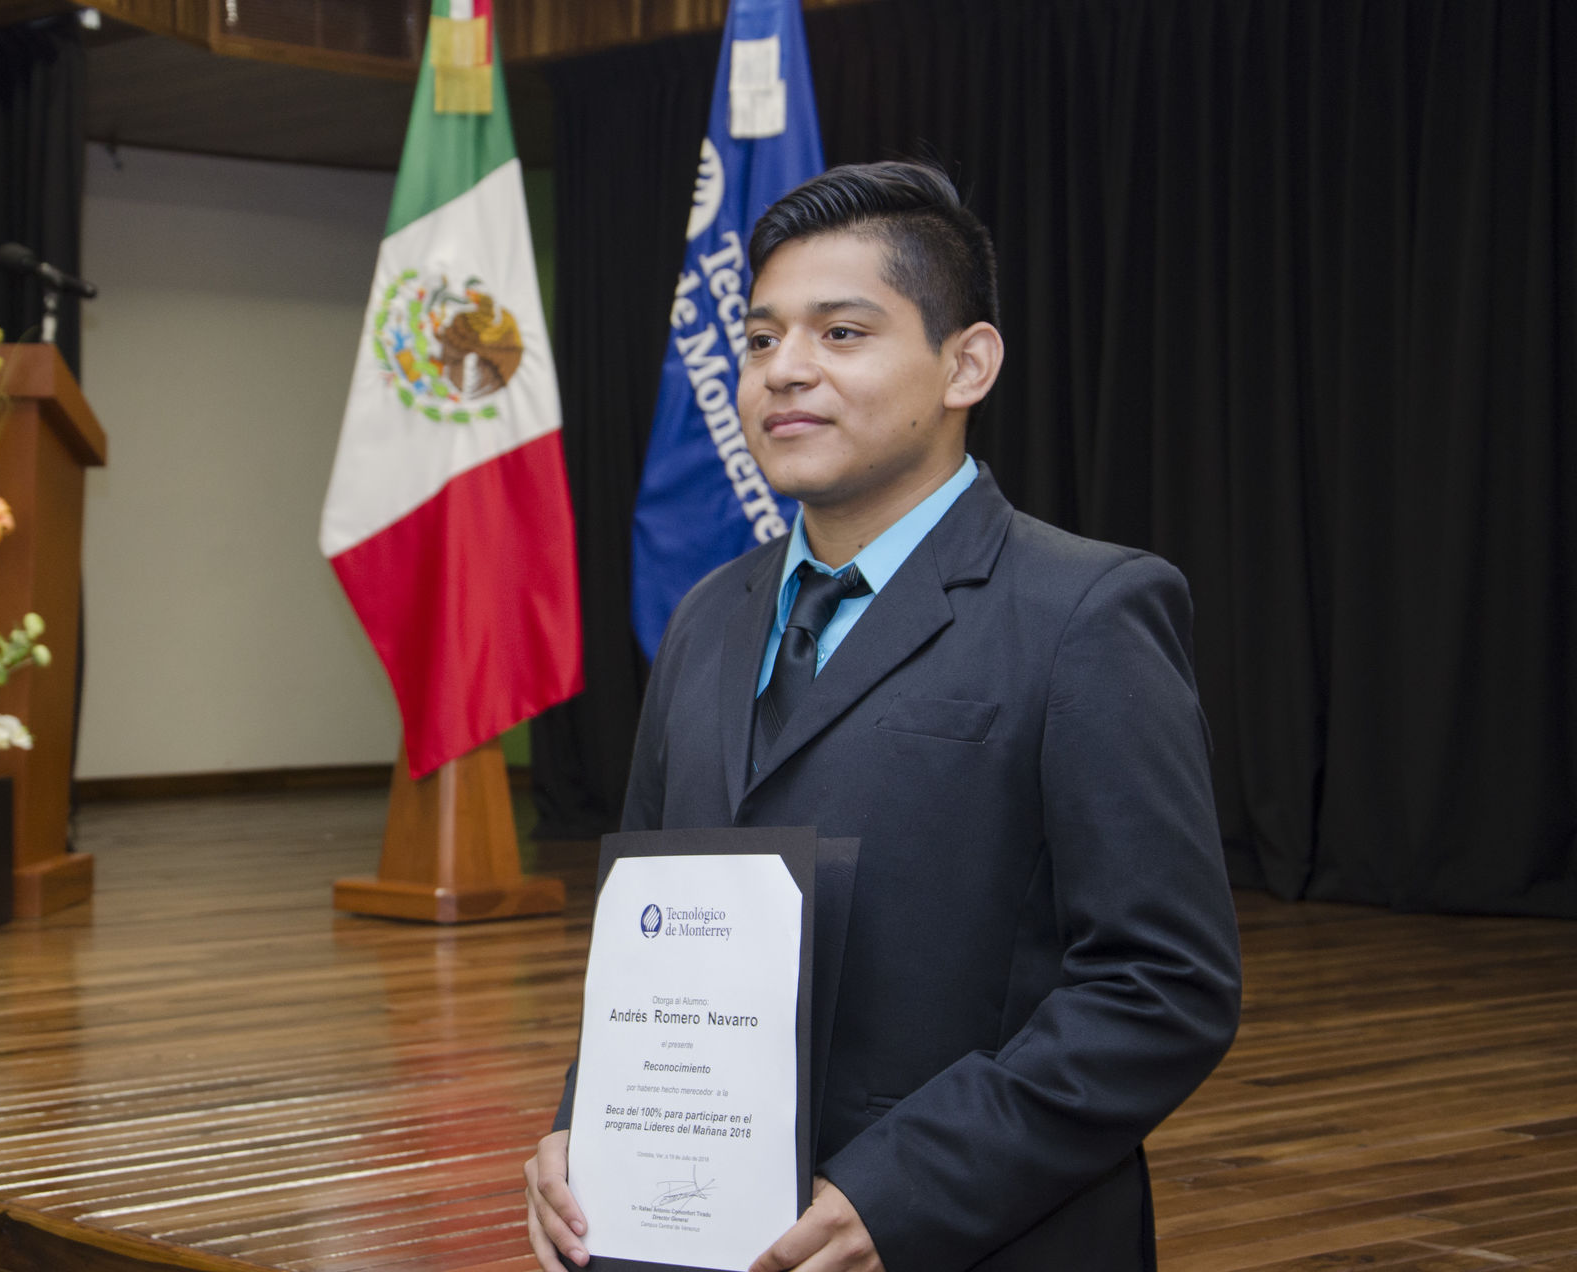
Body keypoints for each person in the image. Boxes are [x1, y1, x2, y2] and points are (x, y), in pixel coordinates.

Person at [525, 160, 1241, 1272]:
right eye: (760, 340)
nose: (784, 372)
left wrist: (898, 1195)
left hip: (979, 1240)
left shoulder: (1089, 610)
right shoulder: (709, 616)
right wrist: (588, 1128)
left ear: (967, 363)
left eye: (842, 333)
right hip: (701, 1239)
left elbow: (1163, 989)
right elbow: (647, 937)